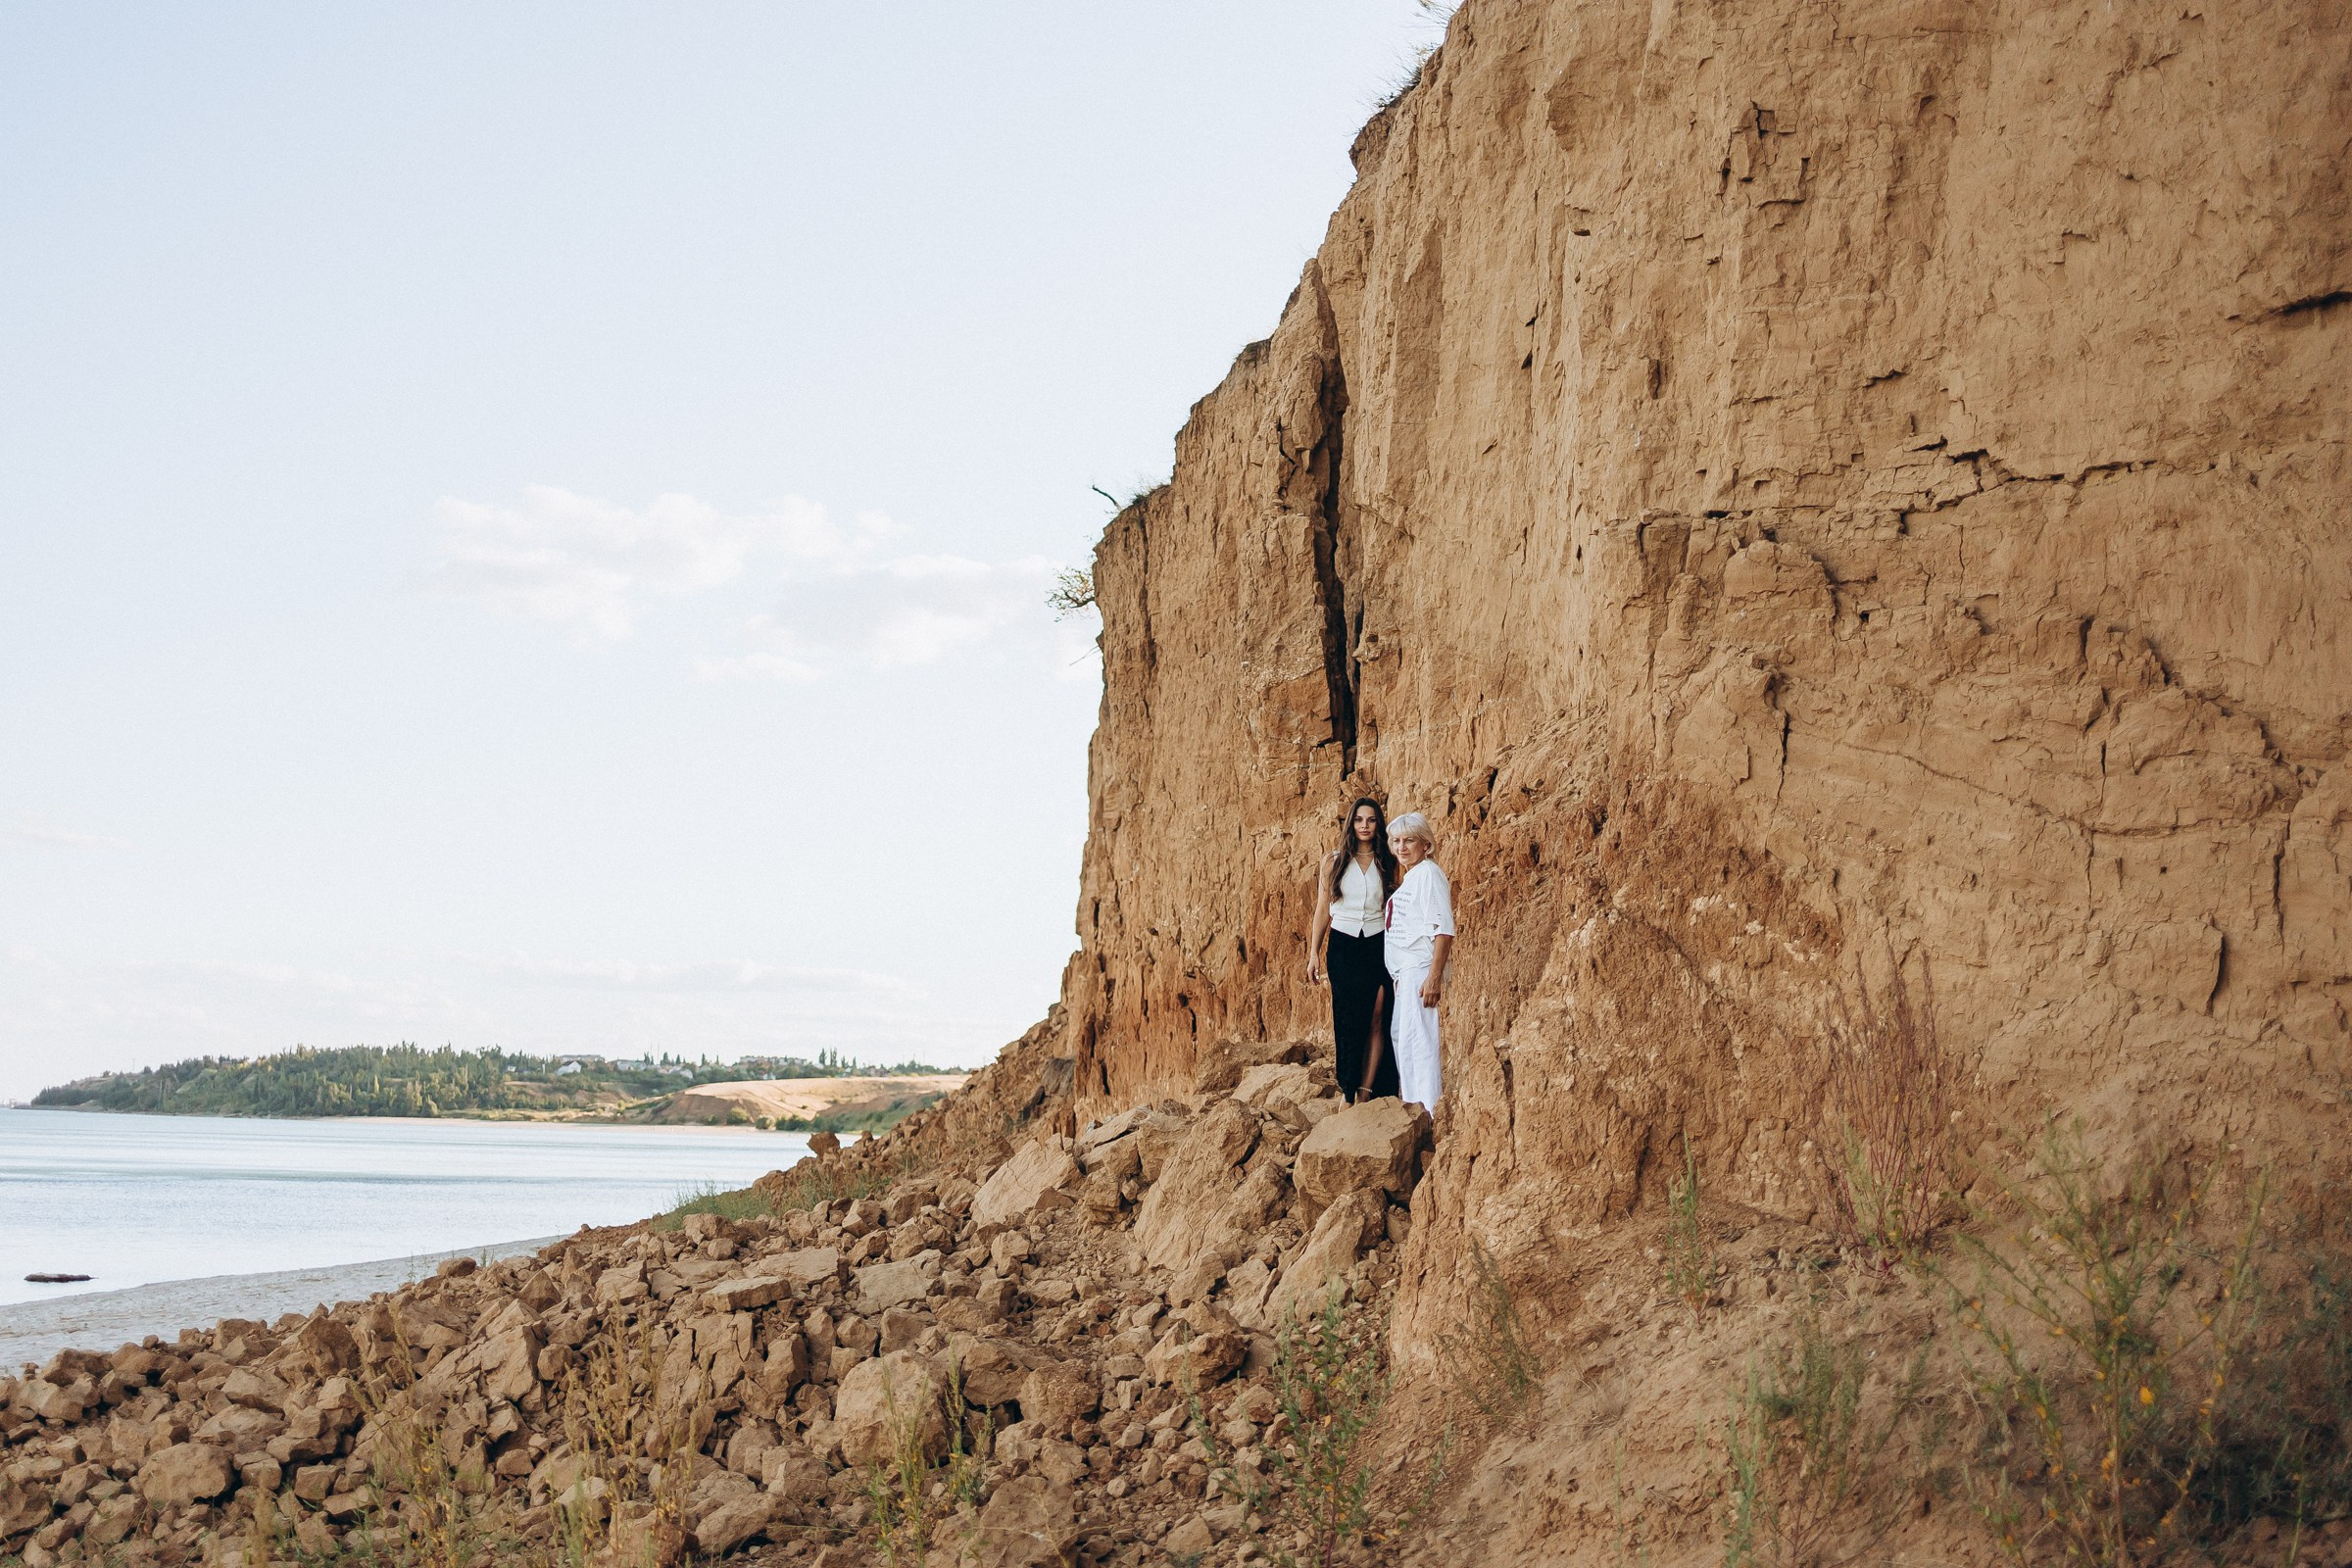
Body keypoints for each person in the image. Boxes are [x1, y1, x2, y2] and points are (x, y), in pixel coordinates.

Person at [1306, 797, 1400, 1102]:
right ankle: (1348, 1090)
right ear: (1351, 823)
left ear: (1378, 824)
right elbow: (1322, 911)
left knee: (1377, 1015)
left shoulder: (1388, 861)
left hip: (1377, 944)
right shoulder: (1333, 861)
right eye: (1359, 820)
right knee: (1348, 1020)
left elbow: (1397, 908)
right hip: (1343, 946)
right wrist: (1313, 954)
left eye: (1371, 820)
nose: (1364, 826)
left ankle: (1366, 1091)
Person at [1383, 811, 1453, 1113]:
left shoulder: (1428, 874)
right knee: (1405, 1040)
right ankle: (1415, 1109)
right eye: (1396, 841)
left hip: (1420, 969)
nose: (1402, 847)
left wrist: (1434, 977)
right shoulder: (1413, 877)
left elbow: (1443, 929)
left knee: (1420, 1043)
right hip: (1406, 974)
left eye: (1409, 840)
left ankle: (1429, 1114)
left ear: (1425, 844)